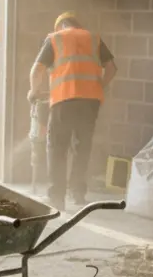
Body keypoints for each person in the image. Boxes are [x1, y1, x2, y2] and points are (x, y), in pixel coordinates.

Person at [28, 12, 118, 209]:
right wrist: (99, 85)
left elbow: (37, 70)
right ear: (77, 25)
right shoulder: (93, 38)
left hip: (64, 100)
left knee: (57, 148)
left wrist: (33, 92)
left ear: (60, 26)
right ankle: (77, 194)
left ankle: (57, 198)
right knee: (81, 147)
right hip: (90, 102)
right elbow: (111, 67)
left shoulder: (54, 39)